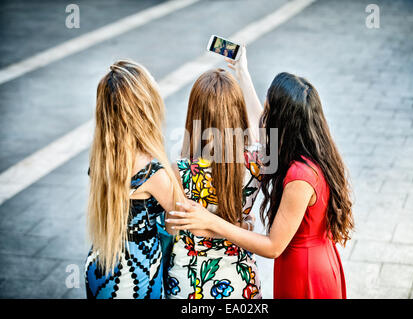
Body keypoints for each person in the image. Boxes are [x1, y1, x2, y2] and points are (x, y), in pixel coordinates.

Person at [167, 48, 354, 299]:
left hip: (302, 271)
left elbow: (273, 246)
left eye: (268, 113)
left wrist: (211, 222)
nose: (263, 118)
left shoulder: (300, 175)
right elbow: (260, 136)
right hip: (258, 274)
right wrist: (242, 73)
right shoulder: (269, 160)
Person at [84, 60, 185, 299]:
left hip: (100, 264)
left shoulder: (103, 158)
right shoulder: (151, 170)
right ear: (145, 108)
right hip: (136, 276)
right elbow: (182, 218)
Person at [165, 66, 264, 299]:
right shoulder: (258, 163)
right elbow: (263, 129)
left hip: (189, 282)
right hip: (241, 280)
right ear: (237, 113)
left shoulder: (179, 171)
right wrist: (245, 226)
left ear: (194, 115)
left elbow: (172, 228)